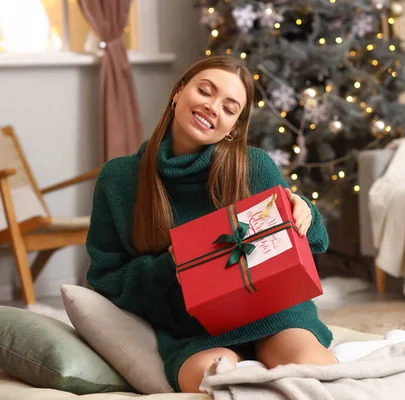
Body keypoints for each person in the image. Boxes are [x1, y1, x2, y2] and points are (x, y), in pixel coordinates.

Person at [85, 55, 337, 393]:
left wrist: (304, 211)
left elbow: (317, 241)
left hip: (272, 314)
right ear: (178, 93)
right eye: (205, 91)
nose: (213, 107)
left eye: (230, 108)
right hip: (192, 330)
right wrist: (170, 266)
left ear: (234, 126)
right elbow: (105, 279)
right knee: (213, 383)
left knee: (313, 373)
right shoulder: (118, 179)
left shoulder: (254, 166)